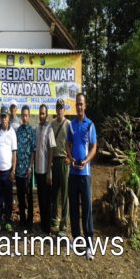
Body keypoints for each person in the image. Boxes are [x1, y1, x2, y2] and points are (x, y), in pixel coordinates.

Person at [66, 93, 97, 260]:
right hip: (73, 174)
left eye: (81, 104)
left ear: (85, 106)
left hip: (85, 174)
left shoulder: (90, 124)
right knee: (73, 209)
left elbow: (94, 147)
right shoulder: (71, 125)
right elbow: (67, 144)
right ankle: (77, 240)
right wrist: (71, 159)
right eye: (77, 104)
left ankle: (89, 244)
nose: (79, 106)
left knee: (86, 209)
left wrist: (85, 161)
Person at [35, 104, 56, 235]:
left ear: (46, 115)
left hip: (45, 170)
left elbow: (52, 150)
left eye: (43, 113)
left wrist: (49, 171)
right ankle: (42, 225)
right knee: (40, 198)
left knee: (47, 199)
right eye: (40, 113)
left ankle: (47, 228)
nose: (41, 115)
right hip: (37, 169)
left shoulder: (50, 129)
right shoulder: (37, 128)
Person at [51, 99, 70, 237]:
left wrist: (71, 157)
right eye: (58, 107)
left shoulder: (68, 124)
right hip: (54, 161)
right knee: (54, 193)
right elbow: (51, 145)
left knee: (64, 195)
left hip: (64, 161)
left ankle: (63, 225)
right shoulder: (52, 124)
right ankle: (54, 221)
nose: (59, 110)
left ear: (64, 109)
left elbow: (73, 142)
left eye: (61, 108)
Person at [15, 105, 36, 231]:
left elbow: (33, 151)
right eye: (22, 115)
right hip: (18, 170)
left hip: (27, 170)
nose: (24, 117)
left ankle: (30, 222)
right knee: (20, 197)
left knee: (29, 197)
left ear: (29, 116)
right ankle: (22, 221)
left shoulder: (32, 131)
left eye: (26, 115)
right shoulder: (17, 131)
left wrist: (30, 167)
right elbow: (15, 150)